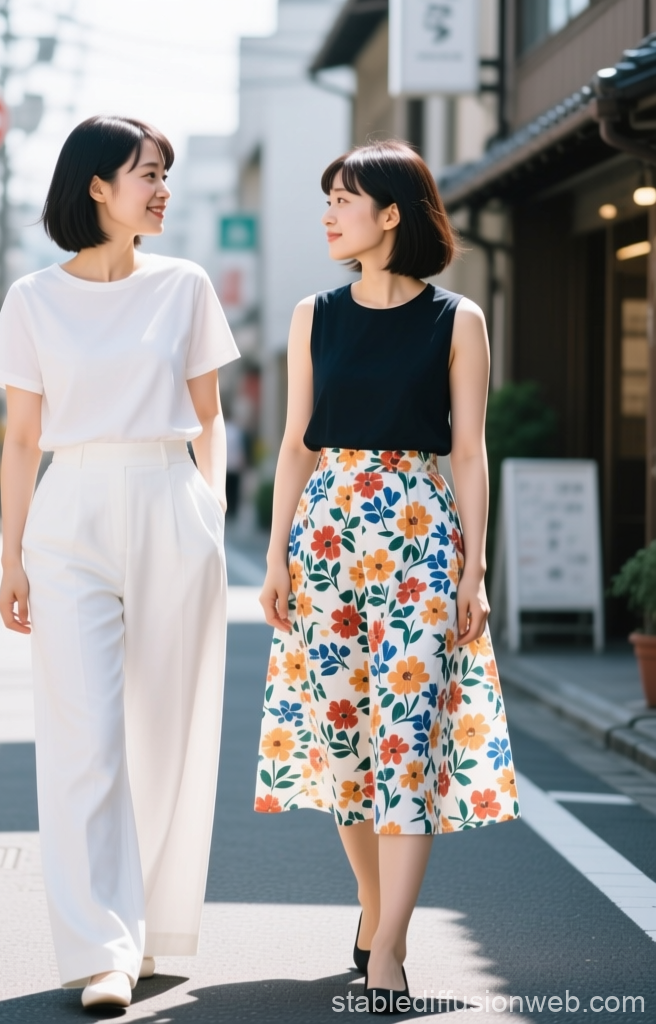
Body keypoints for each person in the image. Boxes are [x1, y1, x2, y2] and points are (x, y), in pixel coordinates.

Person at [256, 140, 519, 1015]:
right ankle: (374, 912)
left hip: (420, 535)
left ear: (393, 213)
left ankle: (390, 949)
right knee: (346, 745)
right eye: (328, 198)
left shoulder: (458, 319)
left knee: (407, 742)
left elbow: (471, 452)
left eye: (344, 198)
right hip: (326, 536)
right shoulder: (313, 315)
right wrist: (275, 554)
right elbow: (296, 444)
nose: (329, 213)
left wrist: (477, 566)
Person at [0, 115, 239, 1009]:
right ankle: (103, 948)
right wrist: (10, 559)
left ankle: (153, 929)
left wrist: (209, 509)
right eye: (148, 174)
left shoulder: (186, 285)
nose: (163, 189)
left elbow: (210, 417)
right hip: (70, 514)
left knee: (168, 732)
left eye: (166, 173)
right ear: (97, 186)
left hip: (170, 498)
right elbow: (21, 440)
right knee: (83, 736)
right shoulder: (32, 298)